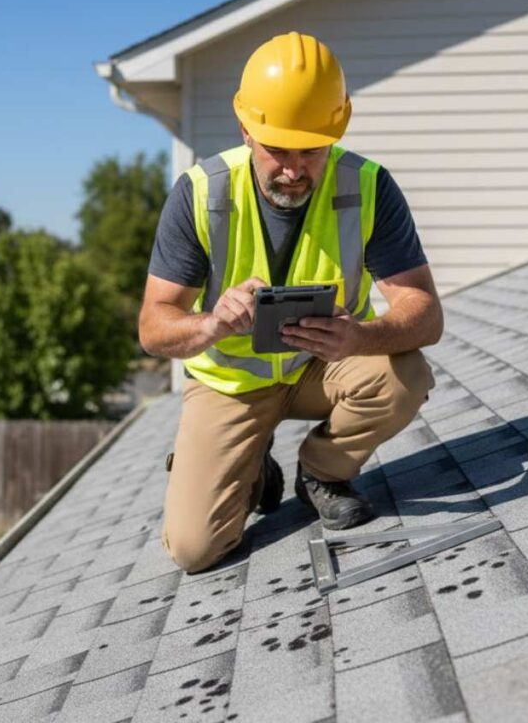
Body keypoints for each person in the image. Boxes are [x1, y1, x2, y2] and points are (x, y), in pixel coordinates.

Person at [140, 32, 442, 573]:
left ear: (337, 130)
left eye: (311, 149)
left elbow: (424, 312)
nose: (294, 169)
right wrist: (212, 323)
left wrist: (362, 337)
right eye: (278, 149)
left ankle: (322, 472)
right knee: (193, 549)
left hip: (322, 369)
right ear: (245, 130)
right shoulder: (201, 193)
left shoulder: (368, 186)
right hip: (231, 384)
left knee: (405, 378)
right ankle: (251, 468)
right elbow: (153, 327)